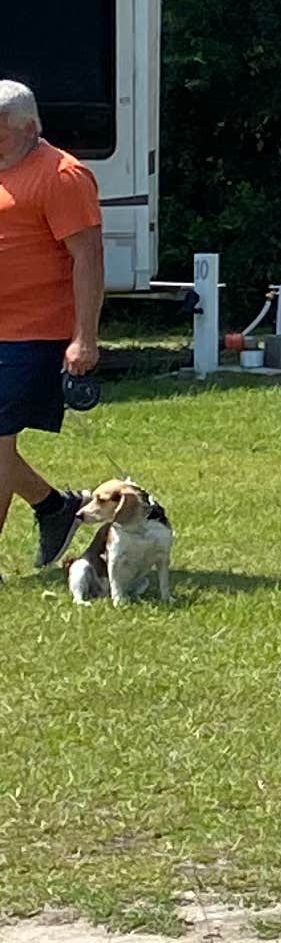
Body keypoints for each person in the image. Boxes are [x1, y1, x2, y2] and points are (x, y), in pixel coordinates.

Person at [0, 77, 105, 572]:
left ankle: (52, 509)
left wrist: (85, 337)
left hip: (33, 333)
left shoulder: (62, 175)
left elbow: (88, 258)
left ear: (29, 126)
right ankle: (55, 508)